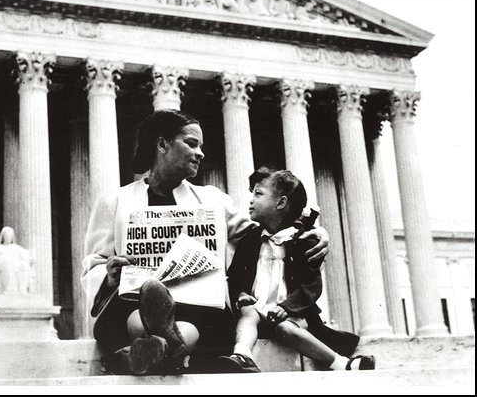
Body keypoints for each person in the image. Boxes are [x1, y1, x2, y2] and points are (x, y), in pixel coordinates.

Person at [80, 109, 330, 375]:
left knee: (203, 321)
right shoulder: (115, 202)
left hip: (198, 306)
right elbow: (94, 265)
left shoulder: (213, 200)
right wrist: (109, 275)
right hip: (135, 302)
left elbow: (262, 233)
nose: (200, 153)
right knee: (138, 312)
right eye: (191, 143)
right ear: (162, 144)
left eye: (201, 146)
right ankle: (168, 346)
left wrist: (312, 230)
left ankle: (152, 351)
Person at [218, 167, 375, 373]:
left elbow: (311, 284)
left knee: (286, 329)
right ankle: (242, 354)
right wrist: (241, 294)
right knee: (248, 314)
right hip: (257, 310)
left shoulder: (303, 241)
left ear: (281, 203)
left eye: (258, 194)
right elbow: (236, 274)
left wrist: (288, 308)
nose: (251, 200)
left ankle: (341, 363)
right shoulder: (249, 240)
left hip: (293, 314)